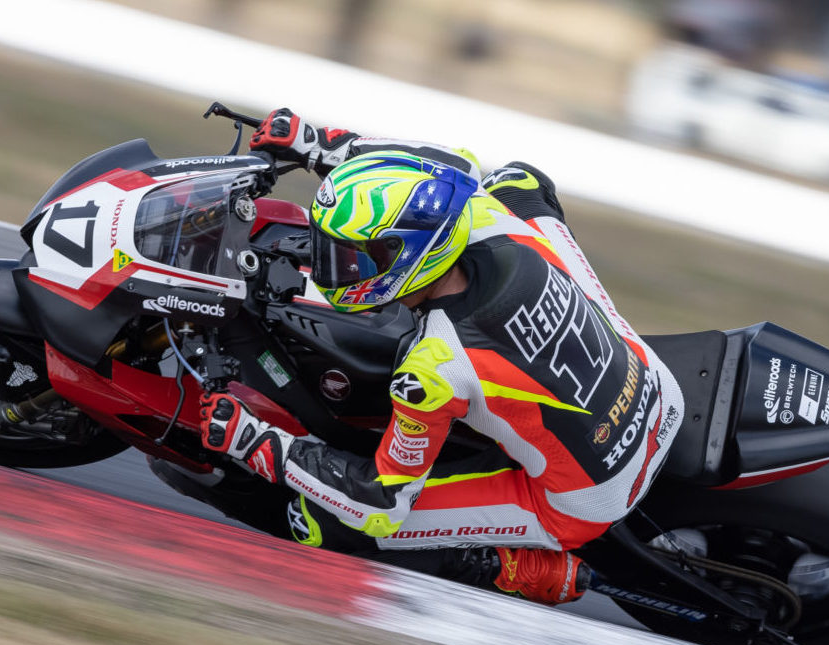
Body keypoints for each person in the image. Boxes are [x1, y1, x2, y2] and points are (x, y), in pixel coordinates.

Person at [198, 108, 683, 605]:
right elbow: (446, 166)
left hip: (591, 496)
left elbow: (381, 501)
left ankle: (511, 566)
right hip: (657, 390)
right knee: (519, 181)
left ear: (409, 256)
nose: (332, 268)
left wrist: (257, 442)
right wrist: (320, 144)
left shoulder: (434, 367)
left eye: (354, 257)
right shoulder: (485, 215)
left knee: (322, 522)